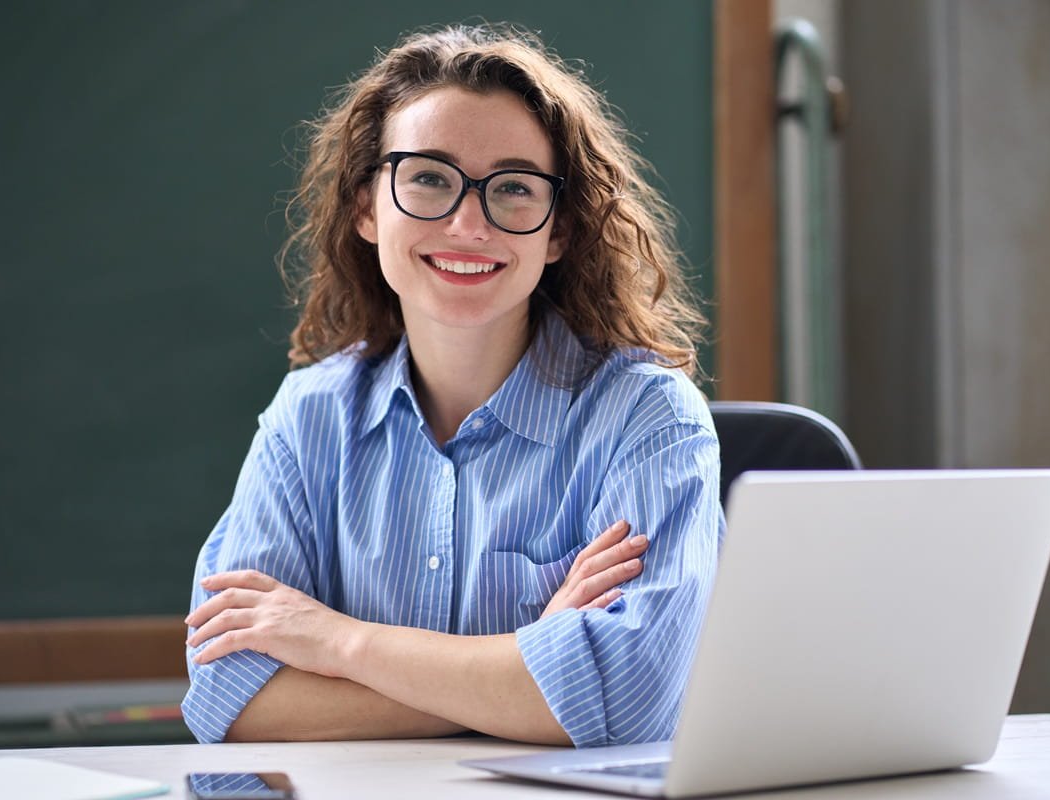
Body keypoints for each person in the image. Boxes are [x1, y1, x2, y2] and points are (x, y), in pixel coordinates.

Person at [181, 23, 723, 749]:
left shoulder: (649, 418)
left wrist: (339, 643)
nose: (470, 222)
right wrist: (526, 660)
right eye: (429, 177)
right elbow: (229, 698)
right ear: (367, 208)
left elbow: (629, 696)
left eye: (514, 188)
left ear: (557, 231)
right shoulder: (306, 420)